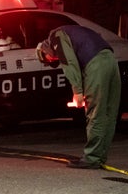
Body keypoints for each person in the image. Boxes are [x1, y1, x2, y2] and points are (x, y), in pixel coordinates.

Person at [36, 24, 121, 169]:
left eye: (49, 59)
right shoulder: (72, 31)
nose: (53, 60)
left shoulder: (56, 36)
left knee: (95, 113)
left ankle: (92, 158)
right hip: (111, 61)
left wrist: (78, 92)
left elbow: (69, 63)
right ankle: (100, 156)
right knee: (109, 113)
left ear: (44, 50)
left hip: (95, 64)